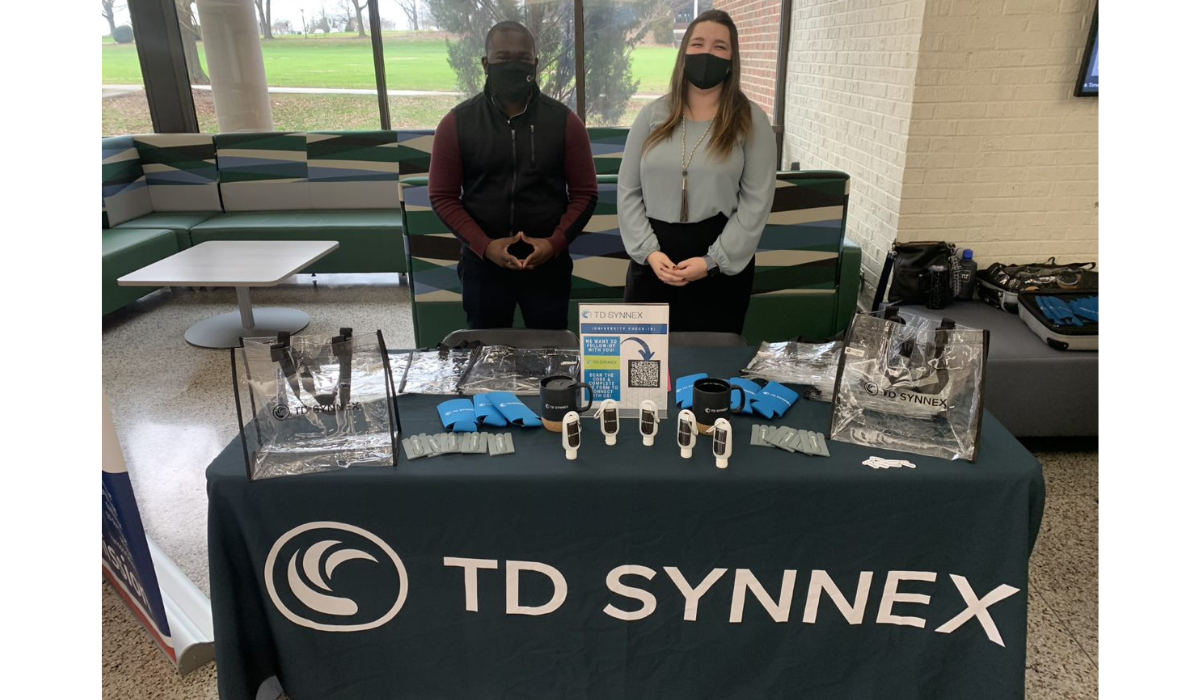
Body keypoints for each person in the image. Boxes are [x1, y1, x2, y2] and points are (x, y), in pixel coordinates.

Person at [429, 21, 598, 330]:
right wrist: (485, 246)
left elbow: (586, 194)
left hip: (549, 266)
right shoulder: (456, 123)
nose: (513, 65)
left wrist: (554, 244)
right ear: (485, 63)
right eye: (503, 58)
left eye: (522, 58)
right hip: (482, 266)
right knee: (485, 363)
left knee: (552, 360)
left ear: (536, 62)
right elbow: (442, 196)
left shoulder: (565, 122)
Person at [617, 10, 776, 334]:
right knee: (645, 372)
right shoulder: (651, 116)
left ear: (732, 59)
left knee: (711, 374)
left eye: (719, 47)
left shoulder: (751, 120)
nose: (707, 53)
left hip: (719, 266)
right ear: (684, 53)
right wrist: (648, 252)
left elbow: (756, 201)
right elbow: (628, 190)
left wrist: (713, 261)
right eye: (698, 43)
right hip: (653, 262)